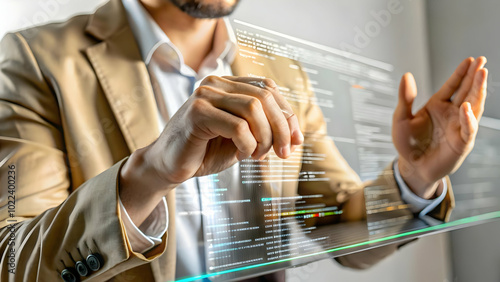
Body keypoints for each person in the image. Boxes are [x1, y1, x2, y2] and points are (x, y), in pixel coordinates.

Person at [0, 0, 487, 281]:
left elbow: (339, 226)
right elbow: (14, 262)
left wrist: (416, 176)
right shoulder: (35, 61)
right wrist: (151, 173)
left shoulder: (280, 72)